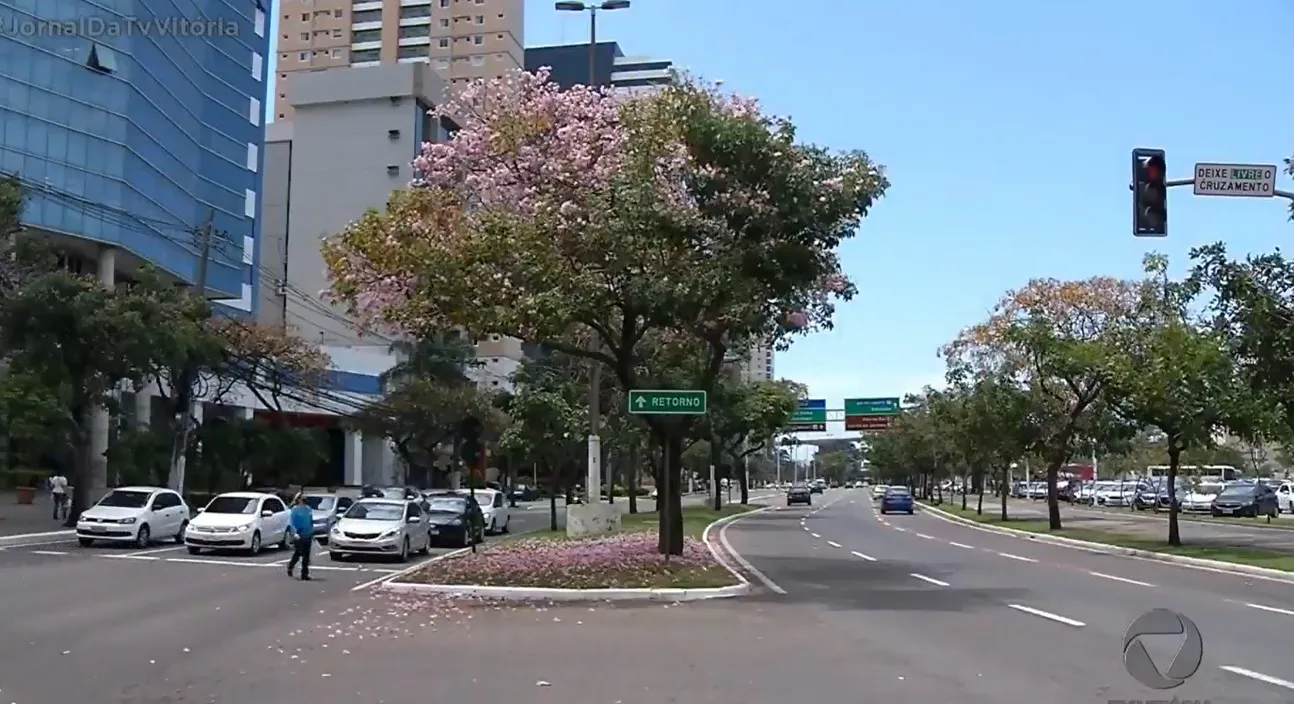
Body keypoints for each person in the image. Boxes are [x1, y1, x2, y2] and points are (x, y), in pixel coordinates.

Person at [286, 494, 314, 581]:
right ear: (298, 500)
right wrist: (294, 533)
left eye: (305, 499)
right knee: (298, 553)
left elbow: (310, 520)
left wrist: (312, 531)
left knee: (306, 555)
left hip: (307, 534)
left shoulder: (308, 509)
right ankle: (290, 567)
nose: (304, 501)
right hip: (299, 534)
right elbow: (292, 523)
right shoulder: (295, 510)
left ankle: (304, 574)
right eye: (303, 499)